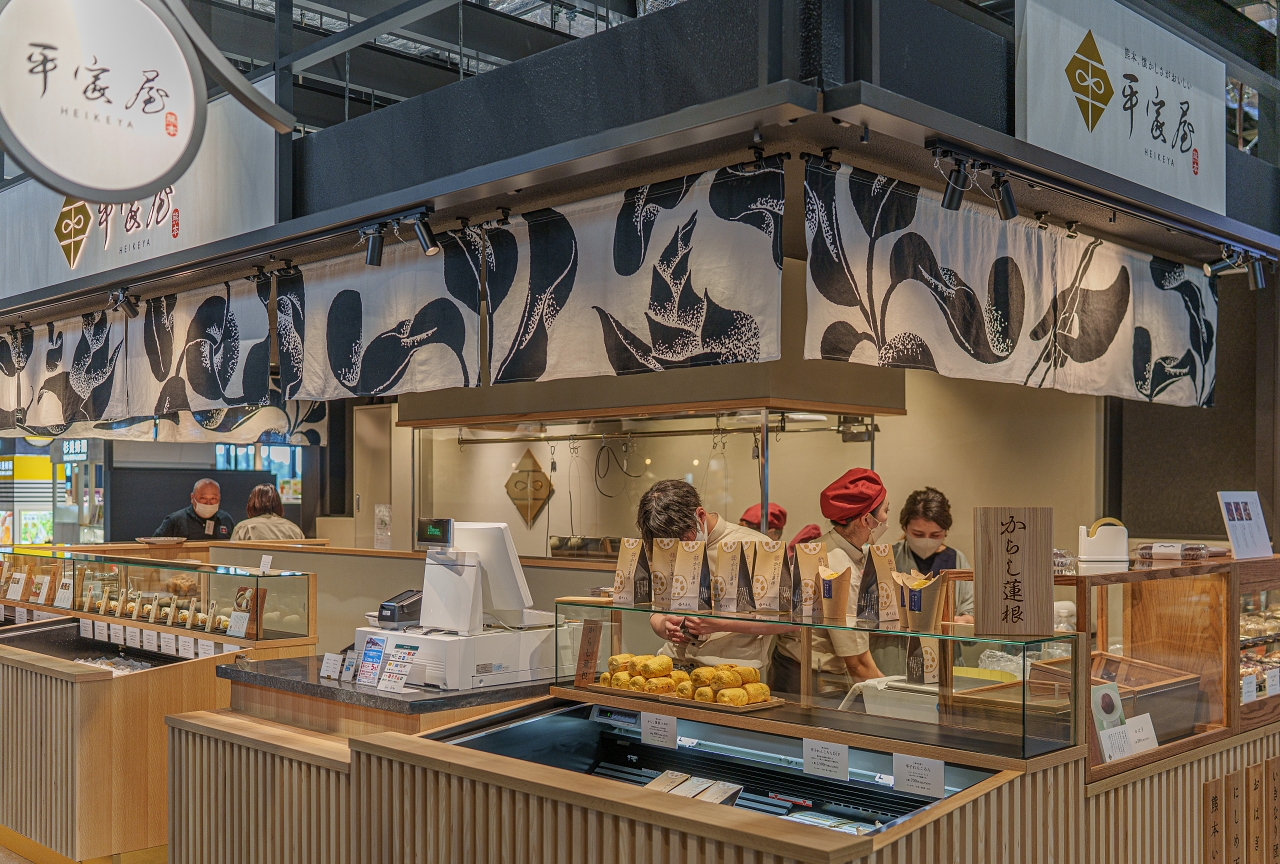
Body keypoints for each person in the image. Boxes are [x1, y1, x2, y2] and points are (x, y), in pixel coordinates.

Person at [643, 480, 790, 670]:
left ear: (700, 515)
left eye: (683, 540)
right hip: (673, 664)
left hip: (731, 672)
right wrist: (664, 625)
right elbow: (657, 610)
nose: (677, 549)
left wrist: (721, 624)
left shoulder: (759, 545)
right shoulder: (666, 546)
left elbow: (788, 622)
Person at [770, 469, 886, 694]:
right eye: (885, 511)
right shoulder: (841, 567)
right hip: (812, 682)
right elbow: (858, 663)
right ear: (867, 520)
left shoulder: (821, 547)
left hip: (787, 669)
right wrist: (896, 700)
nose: (886, 519)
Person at [893, 487, 973, 624]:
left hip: (944, 637)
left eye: (935, 535)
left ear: (945, 532)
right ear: (904, 527)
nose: (927, 540)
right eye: (918, 534)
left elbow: (970, 609)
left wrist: (964, 620)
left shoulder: (956, 559)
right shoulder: (891, 557)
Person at [154, 478, 235, 540]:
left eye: (213, 498)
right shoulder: (176, 520)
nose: (208, 503)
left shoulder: (225, 519)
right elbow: (155, 546)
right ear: (192, 497)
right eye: (203, 498)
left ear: (219, 498)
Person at [230, 484, 305, 542]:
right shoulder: (294, 529)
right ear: (279, 504)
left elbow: (231, 555)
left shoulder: (243, 528)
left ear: (251, 504)